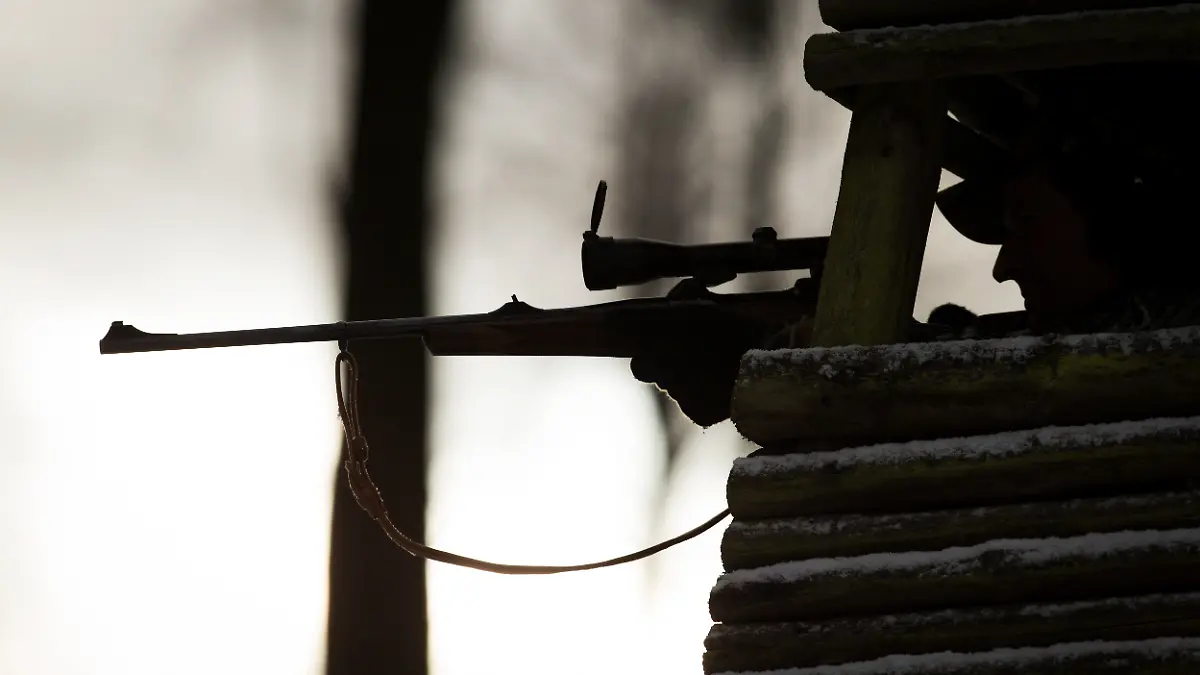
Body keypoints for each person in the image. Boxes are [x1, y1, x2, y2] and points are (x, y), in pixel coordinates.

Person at [632, 123, 1200, 427]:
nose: (1006, 265)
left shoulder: (1167, 339)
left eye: (1030, 224)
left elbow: (1013, 379)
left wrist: (789, 378)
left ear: (1118, 221)